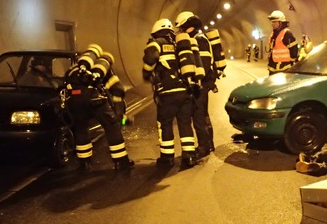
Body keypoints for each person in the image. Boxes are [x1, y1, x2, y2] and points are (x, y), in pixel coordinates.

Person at [65, 44, 134, 172]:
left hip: (74, 101)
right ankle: (121, 162)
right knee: (111, 127)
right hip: (94, 100)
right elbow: (117, 88)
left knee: (81, 129)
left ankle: (84, 164)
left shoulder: (75, 69)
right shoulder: (102, 68)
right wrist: (119, 115)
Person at [143, 18, 197, 168]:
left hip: (167, 92)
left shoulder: (157, 42)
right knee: (185, 123)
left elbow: (150, 57)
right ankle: (189, 156)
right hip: (185, 90)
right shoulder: (178, 43)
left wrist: (146, 74)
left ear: (156, 31)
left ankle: (167, 158)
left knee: (165, 124)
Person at [174, 11, 218, 159]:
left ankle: (204, 147)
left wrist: (195, 80)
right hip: (202, 84)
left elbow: (204, 64)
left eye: (181, 28)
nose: (179, 32)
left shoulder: (199, 40)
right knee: (202, 115)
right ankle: (209, 144)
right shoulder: (196, 39)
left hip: (201, 84)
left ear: (189, 27)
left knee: (198, 116)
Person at [266, 10, 299, 74]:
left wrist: (292, 62)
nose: (272, 24)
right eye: (272, 22)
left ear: (280, 22)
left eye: (274, 22)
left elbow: (294, 50)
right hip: (273, 67)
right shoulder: (273, 33)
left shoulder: (286, 33)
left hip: (284, 68)